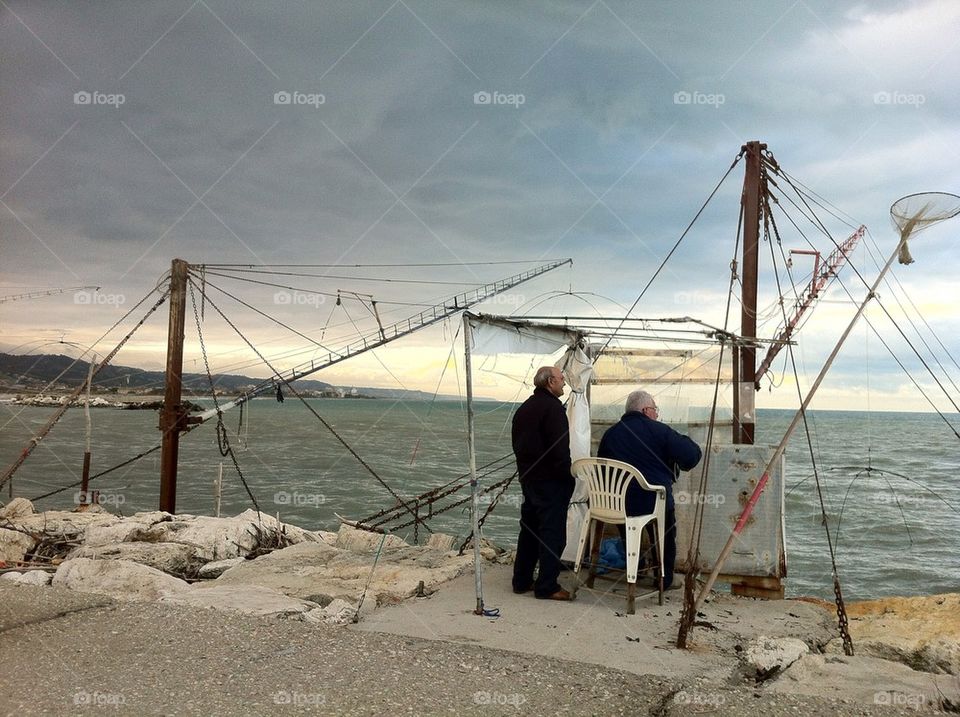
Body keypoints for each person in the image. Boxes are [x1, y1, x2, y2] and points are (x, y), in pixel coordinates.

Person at [598, 390, 701, 590]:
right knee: (664, 527)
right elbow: (690, 456)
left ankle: (635, 567)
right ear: (646, 410)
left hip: (615, 505)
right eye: (655, 410)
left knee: (629, 523)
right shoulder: (659, 431)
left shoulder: (610, 434)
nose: (657, 415)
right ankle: (664, 578)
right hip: (651, 503)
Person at [511, 365, 576, 600]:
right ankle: (547, 585)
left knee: (529, 530)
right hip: (551, 481)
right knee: (552, 533)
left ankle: (521, 580)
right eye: (561, 380)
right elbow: (560, 450)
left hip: (528, 478)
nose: (564, 383)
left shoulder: (525, 408)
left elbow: (518, 445)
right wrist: (568, 476)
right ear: (550, 382)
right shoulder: (553, 409)